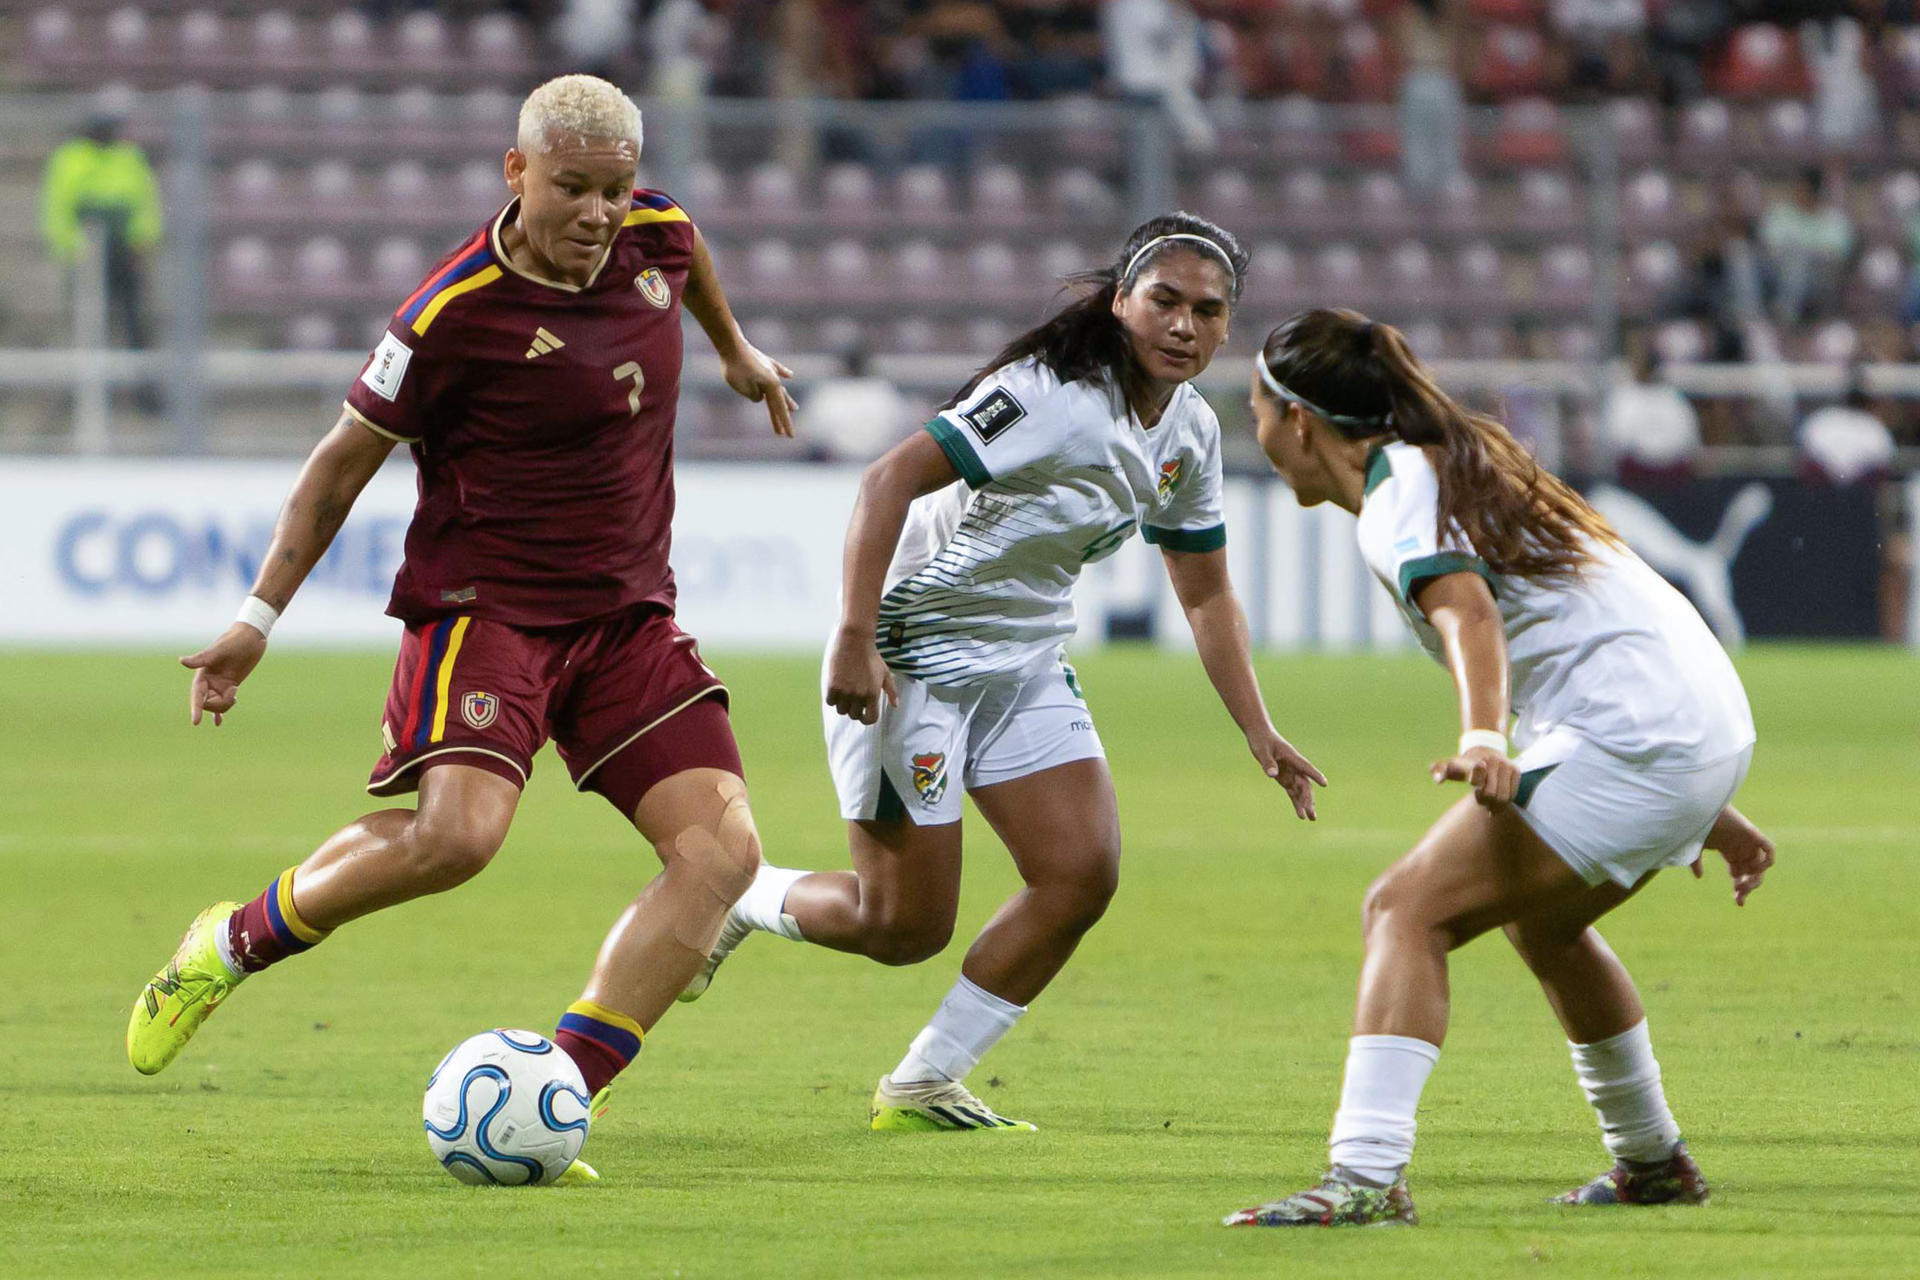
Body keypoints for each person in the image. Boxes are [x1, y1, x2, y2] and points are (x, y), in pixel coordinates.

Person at [125, 75, 797, 1182]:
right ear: (516, 172)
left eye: (614, 191)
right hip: (488, 614)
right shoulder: (450, 313)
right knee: (457, 840)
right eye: (572, 188)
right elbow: (341, 463)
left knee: (723, 854)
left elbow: (689, 257)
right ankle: (229, 942)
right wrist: (255, 618)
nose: (597, 213)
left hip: (628, 616)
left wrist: (735, 349)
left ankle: (557, 1097)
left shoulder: (657, 234)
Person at [680, 214, 1327, 1132]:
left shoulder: (1189, 433)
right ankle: (745, 896)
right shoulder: (1046, 394)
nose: (1185, 326)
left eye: (1209, 312)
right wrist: (855, 637)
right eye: (1165, 302)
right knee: (901, 928)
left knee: (1081, 873)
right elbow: (885, 482)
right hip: (916, 661)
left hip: (1022, 664)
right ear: (1120, 304)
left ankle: (924, 1082)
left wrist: (1257, 729)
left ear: (1230, 328)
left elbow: (1207, 594)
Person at [1225, 309, 1775, 1227]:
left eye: (1255, 411)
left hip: (1641, 737)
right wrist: (1707, 801)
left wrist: (1483, 737)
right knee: (1544, 927)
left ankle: (1363, 1178)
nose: (1256, 430)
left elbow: (1470, 612)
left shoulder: (1399, 493)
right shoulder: (1451, 464)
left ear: (1300, 421)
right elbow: (1580, 621)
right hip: (1690, 725)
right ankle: (1652, 1162)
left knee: (1403, 910)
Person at [40, 104, 164, 410]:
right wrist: (73, 249)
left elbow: (145, 204)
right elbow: (57, 208)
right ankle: (86, 397)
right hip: (88, 258)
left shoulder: (128, 157)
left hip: (124, 253)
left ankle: (143, 394)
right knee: (89, 326)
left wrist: (140, 243)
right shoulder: (70, 158)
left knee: (135, 325)